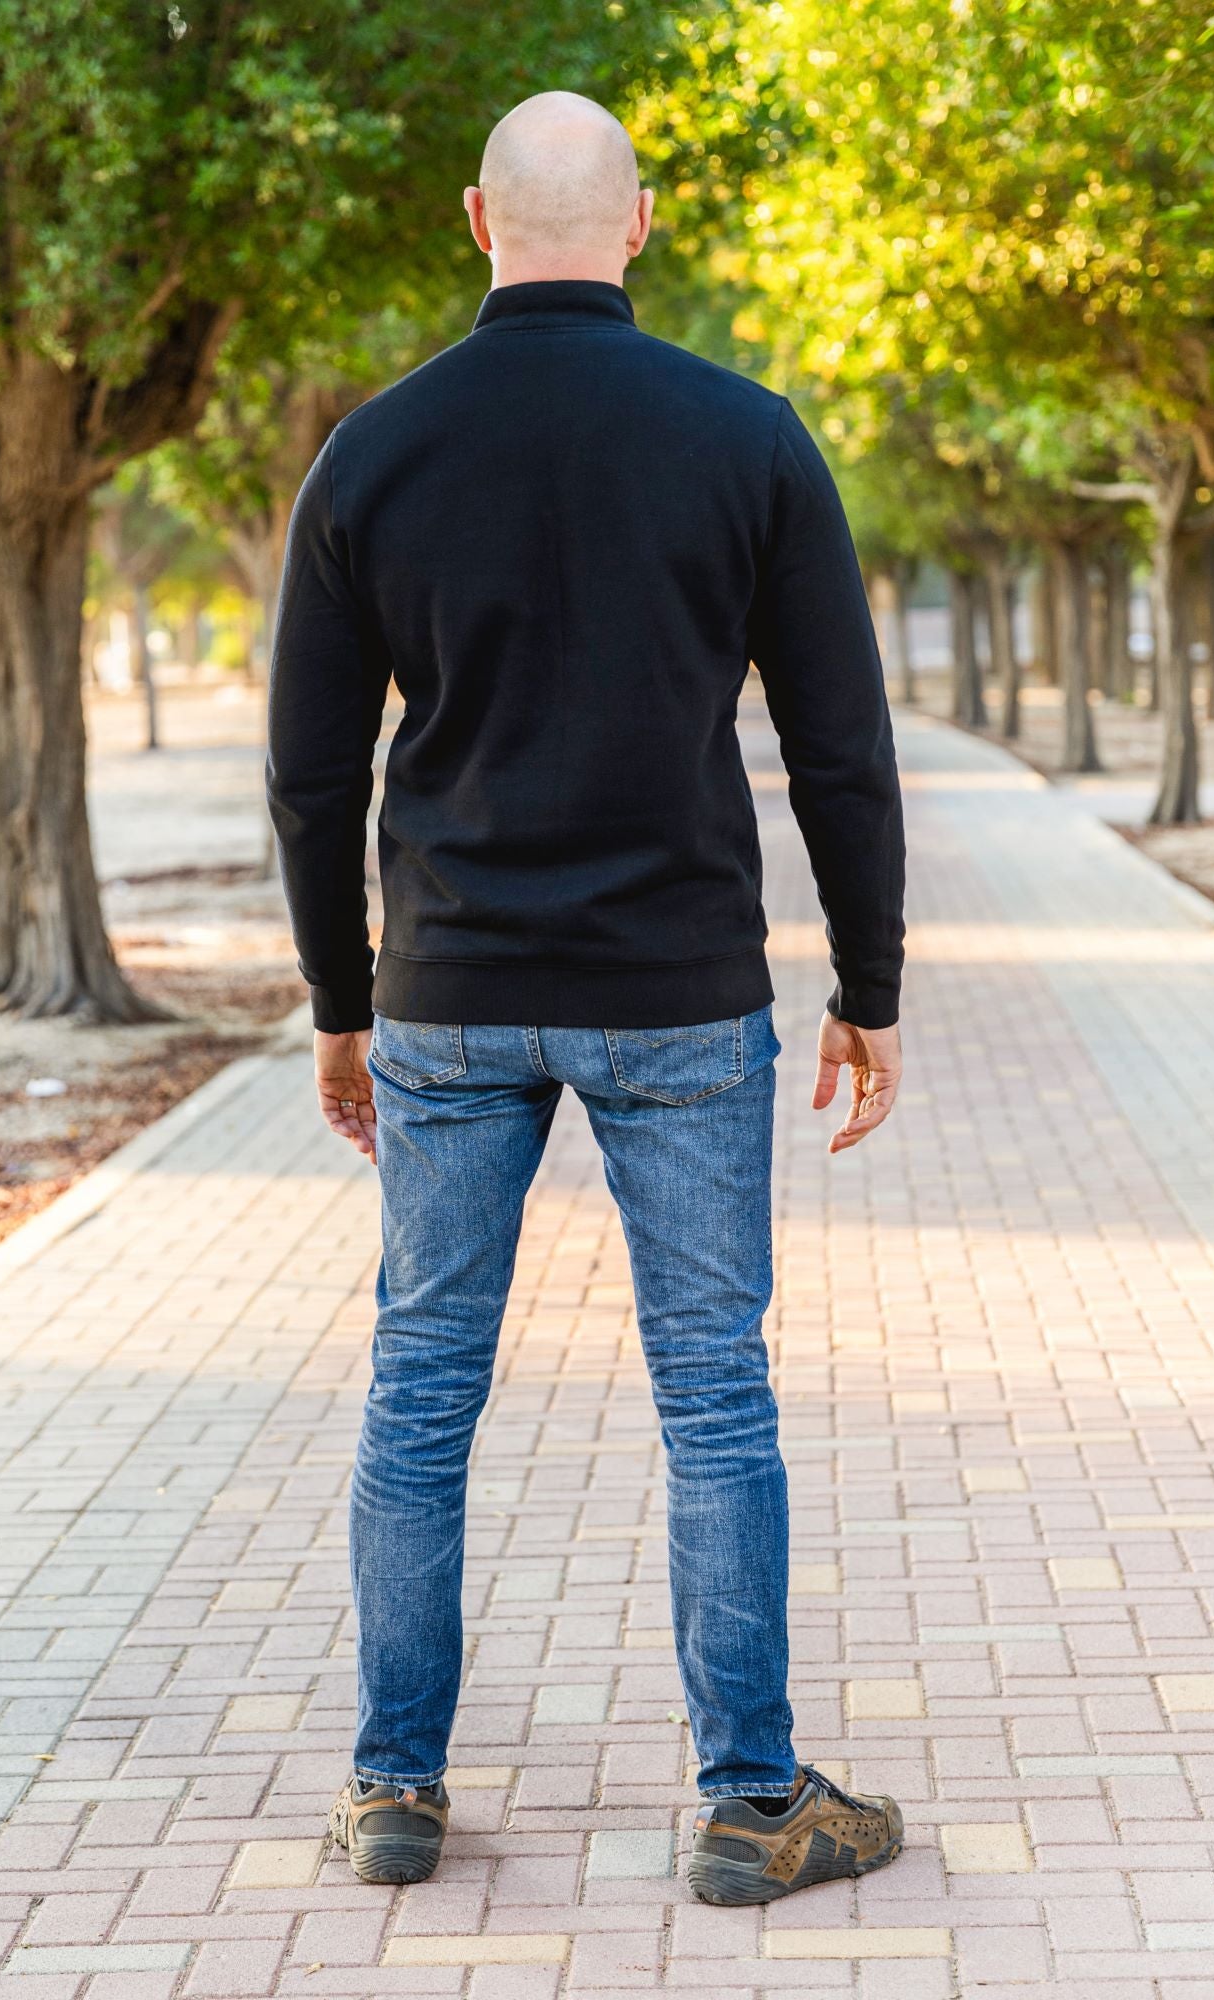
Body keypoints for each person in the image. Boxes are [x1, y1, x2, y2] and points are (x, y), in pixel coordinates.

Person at [267, 90, 906, 1907]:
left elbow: (312, 777)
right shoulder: (747, 439)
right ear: (638, 225)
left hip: (450, 995)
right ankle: (751, 1803)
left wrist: (342, 999)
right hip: (682, 994)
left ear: (482, 220)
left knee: (417, 1391)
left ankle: (395, 1790)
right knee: (714, 1396)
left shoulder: (372, 454)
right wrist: (868, 980)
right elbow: (843, 749)